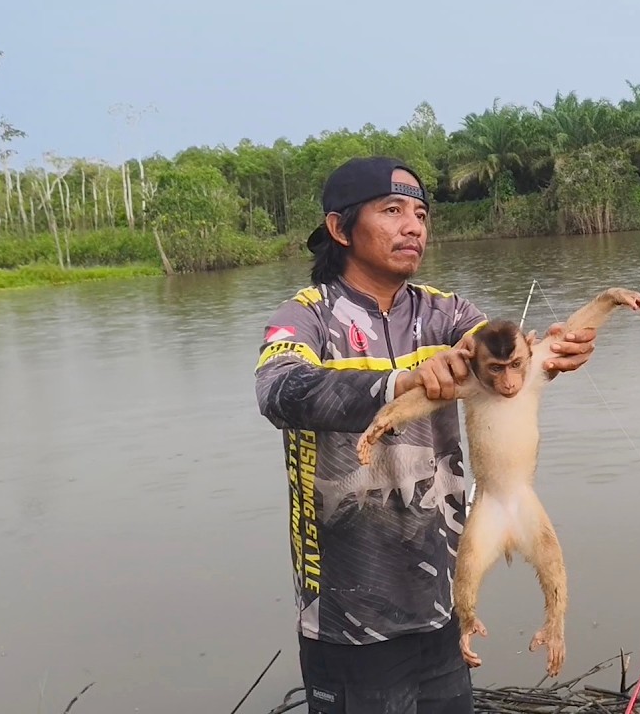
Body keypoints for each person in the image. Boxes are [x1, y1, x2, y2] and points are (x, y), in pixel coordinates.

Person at [253, 156, 598, 714]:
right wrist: (397, 383)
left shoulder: (449, 313)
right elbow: (280, 392)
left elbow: (505, 355)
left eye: (420, 212)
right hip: (349, 617)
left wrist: (553, 353)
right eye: (391, 211)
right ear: (340, 229)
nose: (413, 225)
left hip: (441, 604)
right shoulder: (306, 318)